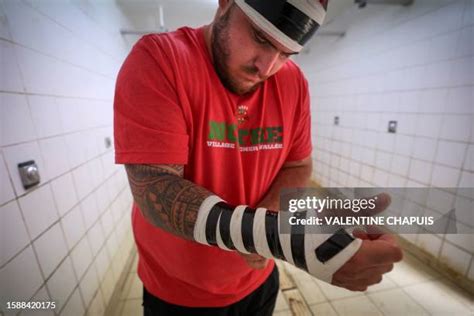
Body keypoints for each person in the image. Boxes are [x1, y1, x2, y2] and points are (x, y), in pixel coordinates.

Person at [113, 0, 403, 315]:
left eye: (286, 53)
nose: (266, 68)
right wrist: (279, 237)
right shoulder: (161, 59)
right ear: (225, 4)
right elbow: (154, 188)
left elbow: (298, 164)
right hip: (180, 292)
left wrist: (267, 224)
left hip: (258, 280)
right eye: (261, 38)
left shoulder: (293, 82)